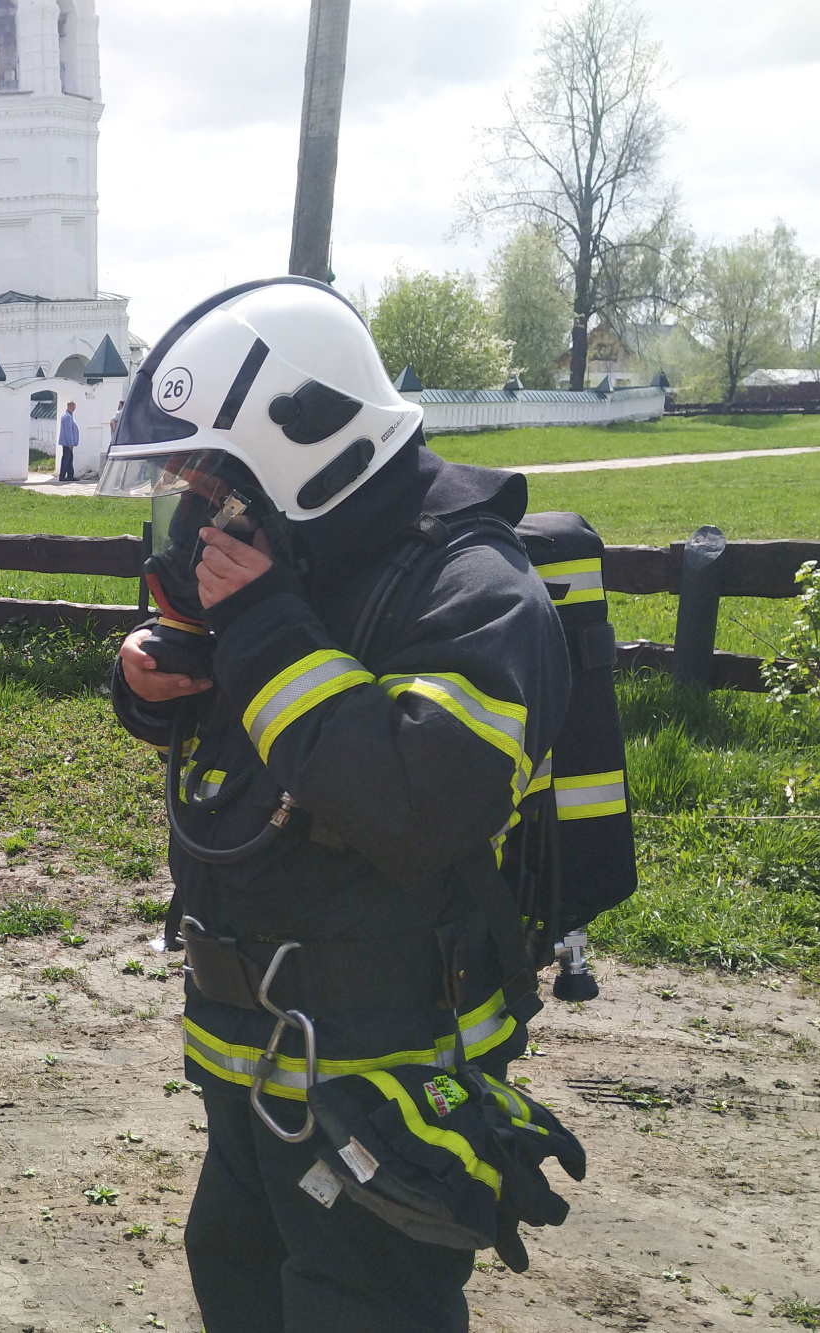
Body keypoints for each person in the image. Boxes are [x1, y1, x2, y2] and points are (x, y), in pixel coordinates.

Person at [97, 277, 570, 1332]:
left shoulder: (474, 589)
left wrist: (259, 626)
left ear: (298, 443)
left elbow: (414, 807)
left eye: (212, 479)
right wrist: (152, 688)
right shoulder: (294, 563)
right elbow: (261, 759)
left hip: (378, 1065)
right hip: (246, 1047)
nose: (194, 512)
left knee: (357, 1307)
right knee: (238, 1276)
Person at [57, 398, 80, 481]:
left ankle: (70, 475)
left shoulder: (68, 415)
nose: (74, 408)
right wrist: (71, 442)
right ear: (70, 406)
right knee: (66, 459)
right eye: (74, 406)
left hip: (68, 442)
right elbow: (68, 431)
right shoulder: (67, 417)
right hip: (67, 443)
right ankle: (62, 475)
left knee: (69, 458)